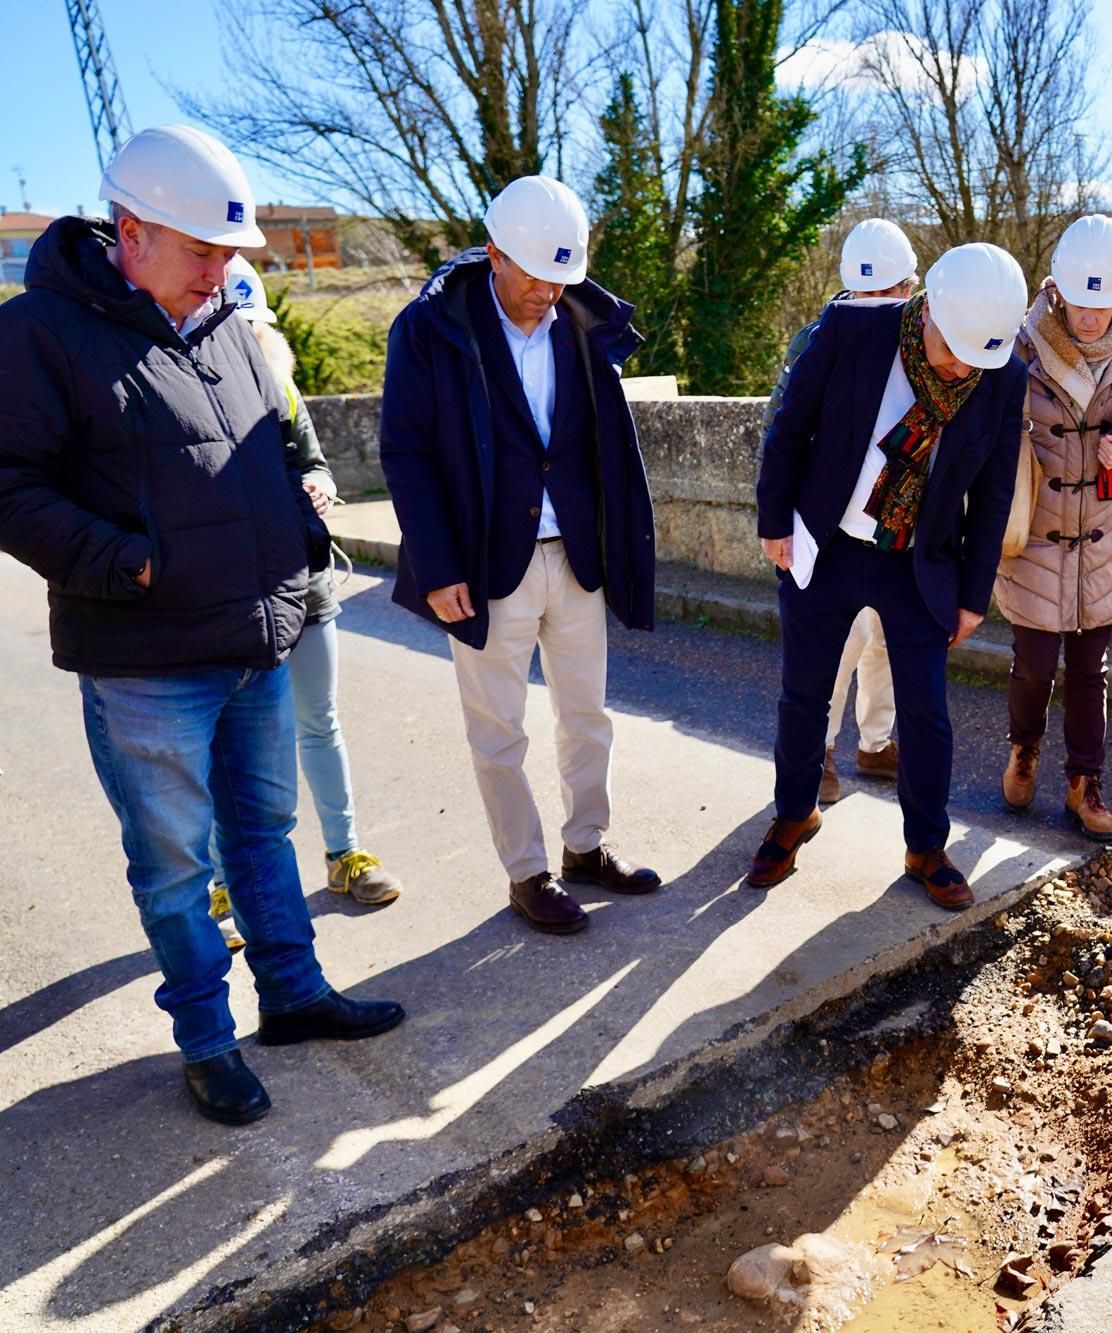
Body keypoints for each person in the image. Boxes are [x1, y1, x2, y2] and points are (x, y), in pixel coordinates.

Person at [0, 125, 406, 1126]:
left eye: (231, 253)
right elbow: (10, 486)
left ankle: (294, 995)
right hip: (146, 661)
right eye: (203, 250)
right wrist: (129, 560)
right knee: (178, 867)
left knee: (263, 834)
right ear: (130, 234)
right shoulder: (38, 334)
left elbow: (267, 448)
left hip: (254, 641)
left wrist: (300, 536)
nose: (223, 270)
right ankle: (206, 1040)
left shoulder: (228, 321)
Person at [379, 175, 661, 935]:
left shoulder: (580, 321)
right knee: (499, 730)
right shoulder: (429, 328)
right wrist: (437, 567)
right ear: (494, 253)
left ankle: (586, 847)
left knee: (588, 715)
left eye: (562, 276)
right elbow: (405, 452)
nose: (548, 290)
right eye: (534, 273)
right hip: (483, 562)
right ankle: (526, 871)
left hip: (574, 554)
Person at [751, 242, 1030, 908]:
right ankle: (795, 814)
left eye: (976, 357)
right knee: (804, 694)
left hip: (920, 562)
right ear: (927, 305)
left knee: (928, 713)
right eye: (954, 348)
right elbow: (790, 426)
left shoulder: (1003, 374)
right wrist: (774, 524)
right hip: (829, 545)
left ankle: (927, 848)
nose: (962, 366)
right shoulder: (852, 327)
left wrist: (972, 595)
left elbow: (993, 493)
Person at [206, 258, 403, 952]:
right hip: (222, 602)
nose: (246, 340)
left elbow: (316, 462)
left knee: (319, 722)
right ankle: (223, 883)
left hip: (305, 590)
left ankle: (346, 855)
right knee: (220, 743)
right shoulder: (177, 392)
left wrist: (319, 486)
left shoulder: (284, 392)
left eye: (253, 327)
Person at [995, 214, 1112, 840]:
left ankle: (1084, 783)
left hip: (1103, 534)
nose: (1090, 319)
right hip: (1037, 534)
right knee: (1032, 665)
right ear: (1057, 289)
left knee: (1089, 670)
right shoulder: (1020, 346)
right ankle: (1024, 749)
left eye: (1102, 307)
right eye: (1081, 304)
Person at [763, 219, 919, 805]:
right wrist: (780, 522)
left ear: (911, 286)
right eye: (871, 296)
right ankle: (822, 749)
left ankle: (875, 743)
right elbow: (781, 430)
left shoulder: (924, 338)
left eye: (892, 295)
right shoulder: (815, 339)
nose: (882, 307)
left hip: (896, 521)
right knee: (843, 641)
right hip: (830, 522)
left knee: (885, 639)